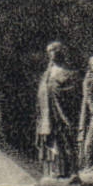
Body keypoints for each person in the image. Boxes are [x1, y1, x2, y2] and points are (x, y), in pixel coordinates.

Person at [35, 41, 81, 178]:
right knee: (53, 142)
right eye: (49, 51)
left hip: (63, 113)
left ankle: (72, 171)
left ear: (61, 52)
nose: (51, 54)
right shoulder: (46, 74)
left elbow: (74, 95)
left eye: (54, 50)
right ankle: (56, 171)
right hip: (48, 114)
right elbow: (42, 93)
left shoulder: (70, 73)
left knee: (67, 140)